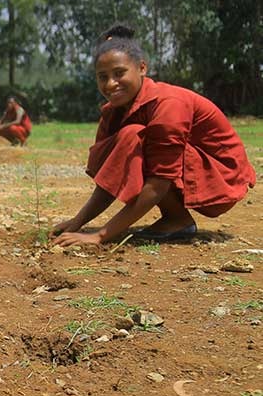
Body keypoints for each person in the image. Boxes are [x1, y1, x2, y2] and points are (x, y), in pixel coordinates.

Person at [53, 24, 256, 247]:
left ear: (142, 68)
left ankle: (176, 219)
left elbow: (159, 182)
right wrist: (77, 222)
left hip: (221, 174)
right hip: (182, 168)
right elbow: (113, 174)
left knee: (136, 137)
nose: (111, 84)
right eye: (103, 77)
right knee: (132, 137)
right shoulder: (113, 112)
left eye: (119, 73)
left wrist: (99, 236)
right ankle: (176, 217)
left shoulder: (168, 105)